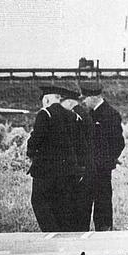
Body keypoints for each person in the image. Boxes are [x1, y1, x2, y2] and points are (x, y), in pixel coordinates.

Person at [27, 85, 81, 232]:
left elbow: (35, 140)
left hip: (45, 171)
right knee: (61, 205)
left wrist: (31, 153)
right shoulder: (72, 115)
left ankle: (50, 234)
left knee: (40, 202)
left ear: (47, 99)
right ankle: (60, 235)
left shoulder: (45, 114)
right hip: (67, 170)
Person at [79, 82, 125, 231]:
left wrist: (107, 161)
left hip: (102, 170)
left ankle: (104, 237)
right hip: (88, 169)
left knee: (103, 205)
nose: (83, 101)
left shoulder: (111, 114)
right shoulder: (89, 115)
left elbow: (119, 143)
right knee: (84, 204)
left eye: (85, 98)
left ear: (93, 97)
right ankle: (81, 237)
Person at [60, 90, 93, 231]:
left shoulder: (77, 116)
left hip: (81, 166)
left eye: (61, 104)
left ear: (68, 102)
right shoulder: (83, 113)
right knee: (81, 206)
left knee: (78, 206)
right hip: (85, 165)